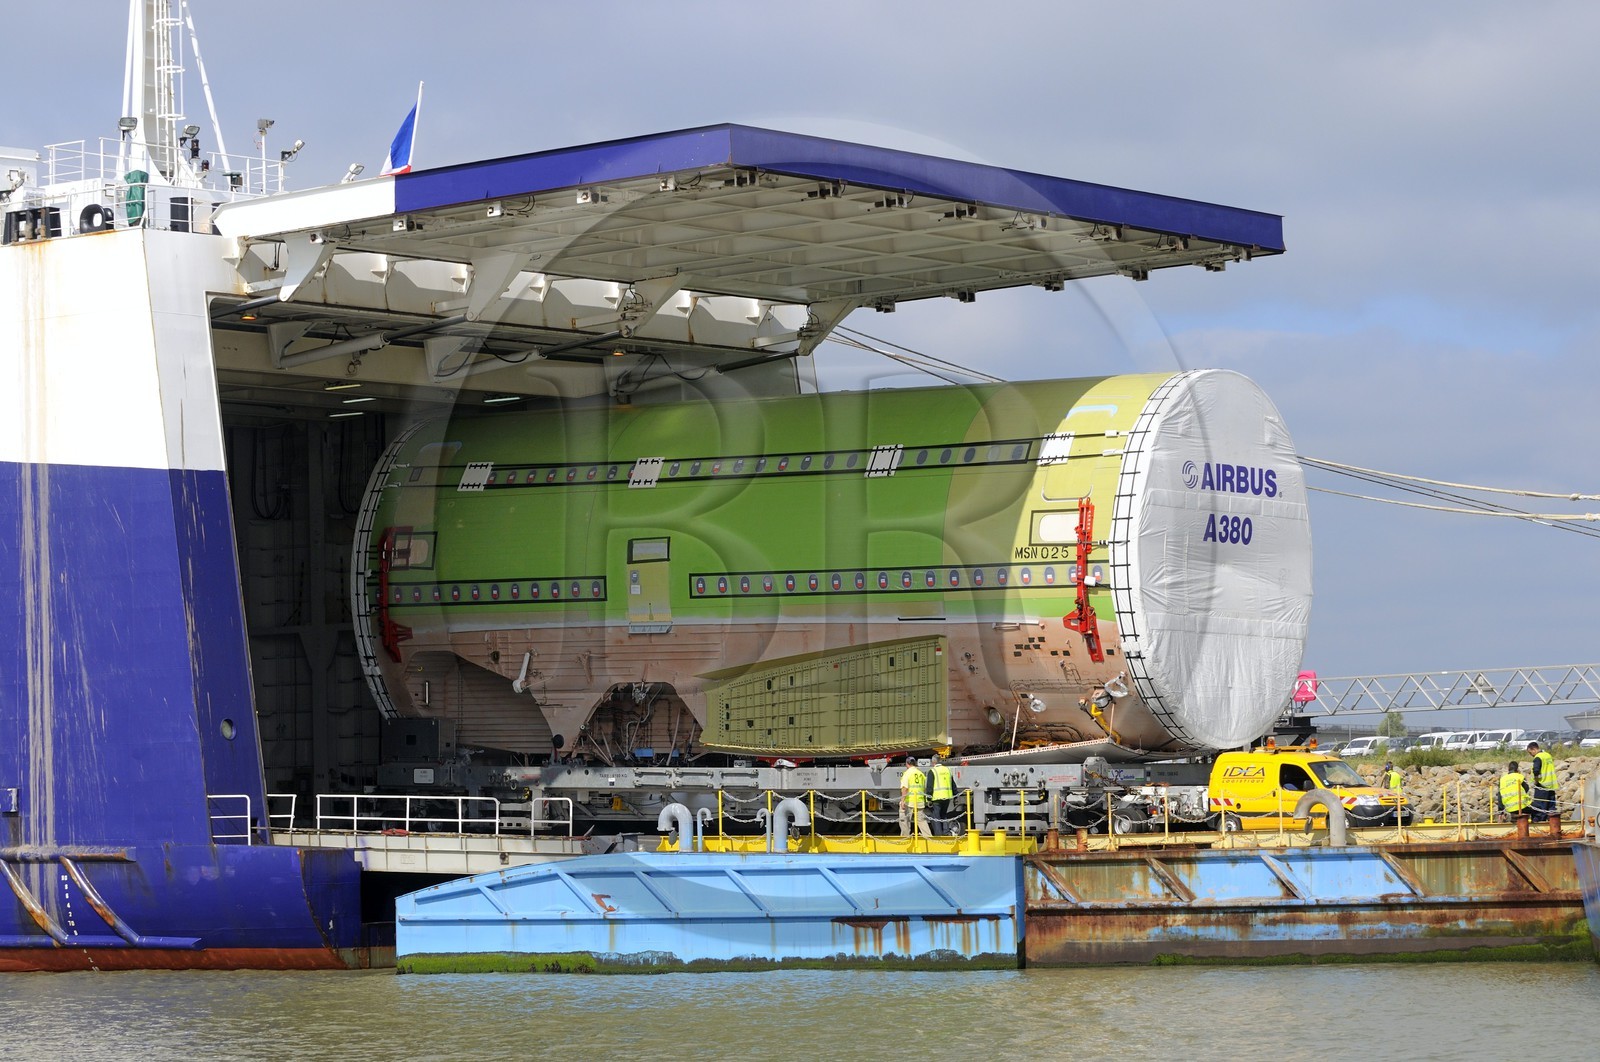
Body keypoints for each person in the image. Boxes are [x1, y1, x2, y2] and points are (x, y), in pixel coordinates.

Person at [1527, 741, 1559, 824]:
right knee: (1551, 807)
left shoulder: (1538, 757)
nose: (1531, 755)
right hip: (1551, 785)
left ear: (1533, 749)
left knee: (1539, 807)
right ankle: (1552, 824)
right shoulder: (1548, 755)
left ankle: (1539, 823)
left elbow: (1536, 770)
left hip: (1542, 785)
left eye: (1530, 753)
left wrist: (1536, 780)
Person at [899, 755, 930, 838]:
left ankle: (904, 839)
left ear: (907, 764)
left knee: (905, 821)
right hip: (919, 801)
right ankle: (929, 838)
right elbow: (924, 788)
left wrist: (902, 801)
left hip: (909, 802)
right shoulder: (921, 774)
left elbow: (905, 788)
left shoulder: (907, 774)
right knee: (922, 821)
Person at [928, 753, 956, 835]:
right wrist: (956, 795)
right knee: (944, 815)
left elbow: (929, 787)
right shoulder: (947, 770)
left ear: (933, 763)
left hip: (936, 798)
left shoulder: (932, 771)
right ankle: (946, 832)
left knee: (936, 817)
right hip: (947, 797)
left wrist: (929, 799)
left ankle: (939, 834)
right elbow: (953, 784)